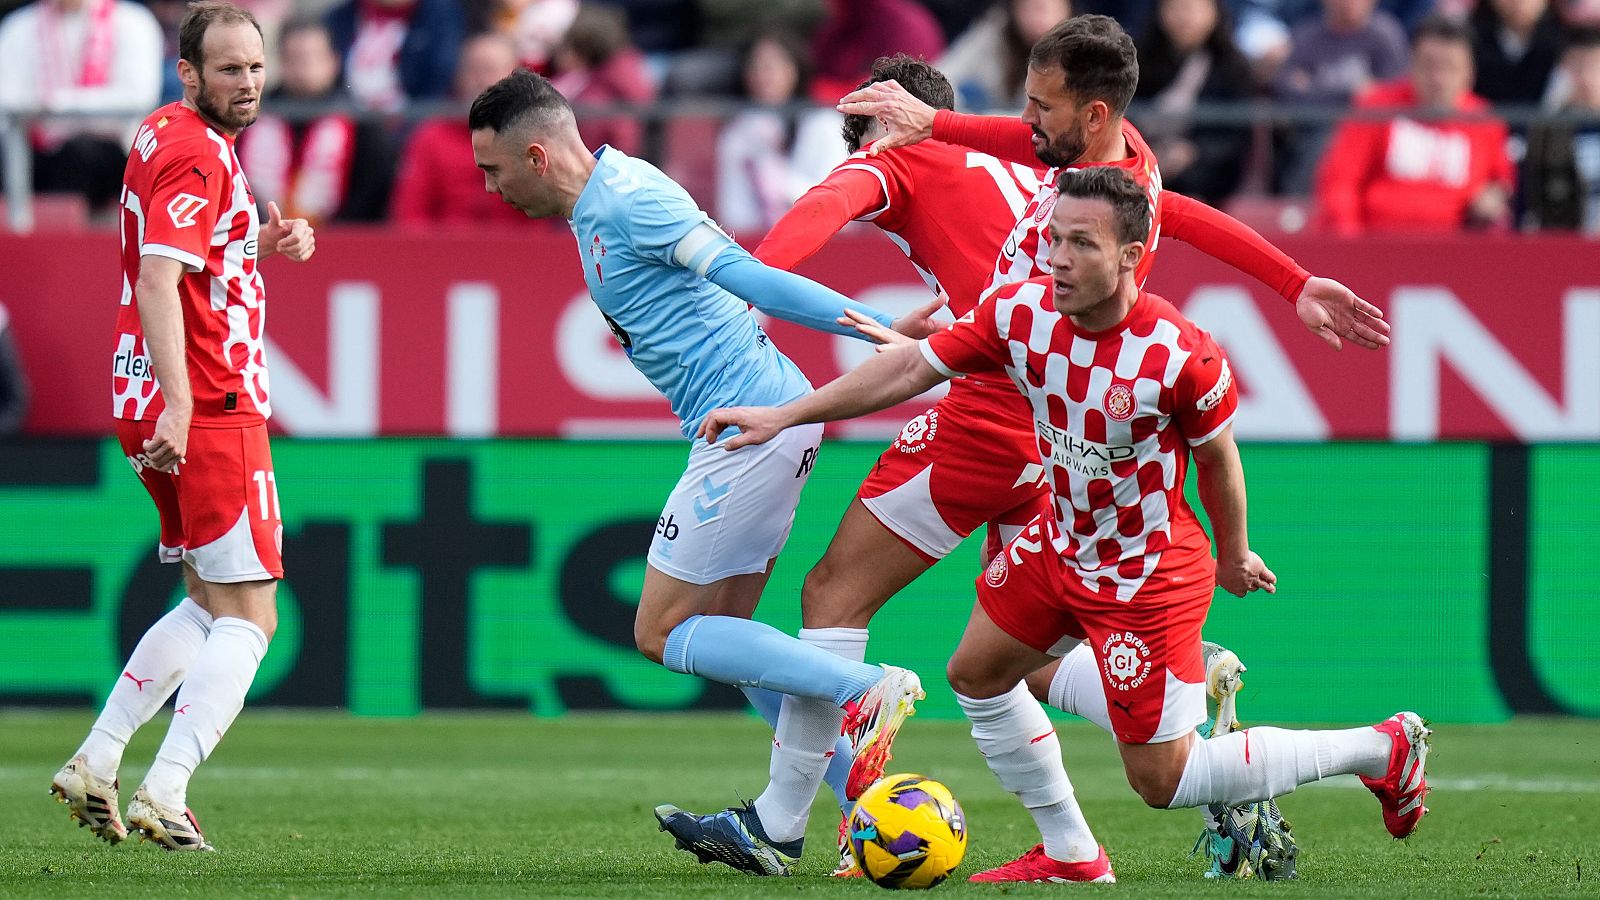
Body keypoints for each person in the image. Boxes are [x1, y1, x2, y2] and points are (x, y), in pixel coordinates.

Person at [670, 17, 1387, 879]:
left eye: (1039, 105)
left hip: (994, 405)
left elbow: (821, 209)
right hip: (1055, 425)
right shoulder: (1093, 169)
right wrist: (1294, 278)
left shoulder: (891, 162)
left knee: (832, 595)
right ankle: (1082, 834)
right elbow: (1173, 209)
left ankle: (778, 822)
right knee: (1016, 663)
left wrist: (744, 292)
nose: (1026, 119)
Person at [466, 68, 939, 877]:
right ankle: (851, 807)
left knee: (659, 632)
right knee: (735, 641)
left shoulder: (628, 200)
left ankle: (863, 687)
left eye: (492, 169)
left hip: (747, 424)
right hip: (754, 421)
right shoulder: (596, 206)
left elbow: (746, 276)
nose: (490, 185)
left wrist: (875, 334)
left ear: (537, 156)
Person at [49, 0, 315, 852]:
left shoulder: (162, 132)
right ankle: (167, 789)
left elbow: (186, 258)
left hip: (151, 396)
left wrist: (254, 243)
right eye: (229, 69)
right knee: (253, 617)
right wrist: (182, 400)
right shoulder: (201, 156)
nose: (248, 83)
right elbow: (162, 278)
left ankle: (97, 757)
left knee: (207, 599)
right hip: (208, 399)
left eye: (256, 67)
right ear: (189, 73)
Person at [1315, 15, 1516, 235]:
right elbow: (1340, 182)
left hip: (1456, 251)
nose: (1438, 79)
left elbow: (1502, 180)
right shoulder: (1376, 109)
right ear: (1411, 66)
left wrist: (1493, 196)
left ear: (1470, 72)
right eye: (1429, 66)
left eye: (1450, 67)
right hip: (1379, 245)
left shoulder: (1484, 120)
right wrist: (1349, 241)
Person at [0, 0, 163, 214]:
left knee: (81, 154)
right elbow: (7, 101)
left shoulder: (133, 22)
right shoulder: (19, 26)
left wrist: (59, 105)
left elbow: (139, 97)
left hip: (109, 150)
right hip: (33, 149)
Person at [236, 17, 394, 224]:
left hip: (341, 243)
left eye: (314, 58)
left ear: (334, 61)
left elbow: (371, 197)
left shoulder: (363, 125)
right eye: (294, 58)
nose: (304, 70)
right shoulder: (248, 118)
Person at [391, 32, 527, 227]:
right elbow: (410, 216)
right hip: (443, 252)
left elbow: (546, 219)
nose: (481, 80)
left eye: (490, 69)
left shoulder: (535, 137)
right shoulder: (431, 136)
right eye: (473, 70)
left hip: (520, 252)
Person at [715, 30, 847, 232]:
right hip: (759, 250)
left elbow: (837, 203)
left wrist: (778, 179)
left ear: (796, 69)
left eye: (773, 65)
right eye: (756, 66)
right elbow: (734, 214)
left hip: (826, 241)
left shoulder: (826, 124)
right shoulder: (738, 133)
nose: (764, 75)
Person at [1522, 26, 1600, 232]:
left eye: (1593, 66)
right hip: (1567, 243)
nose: (1585, 78)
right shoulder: (1547, 131)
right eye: (1576, 67)